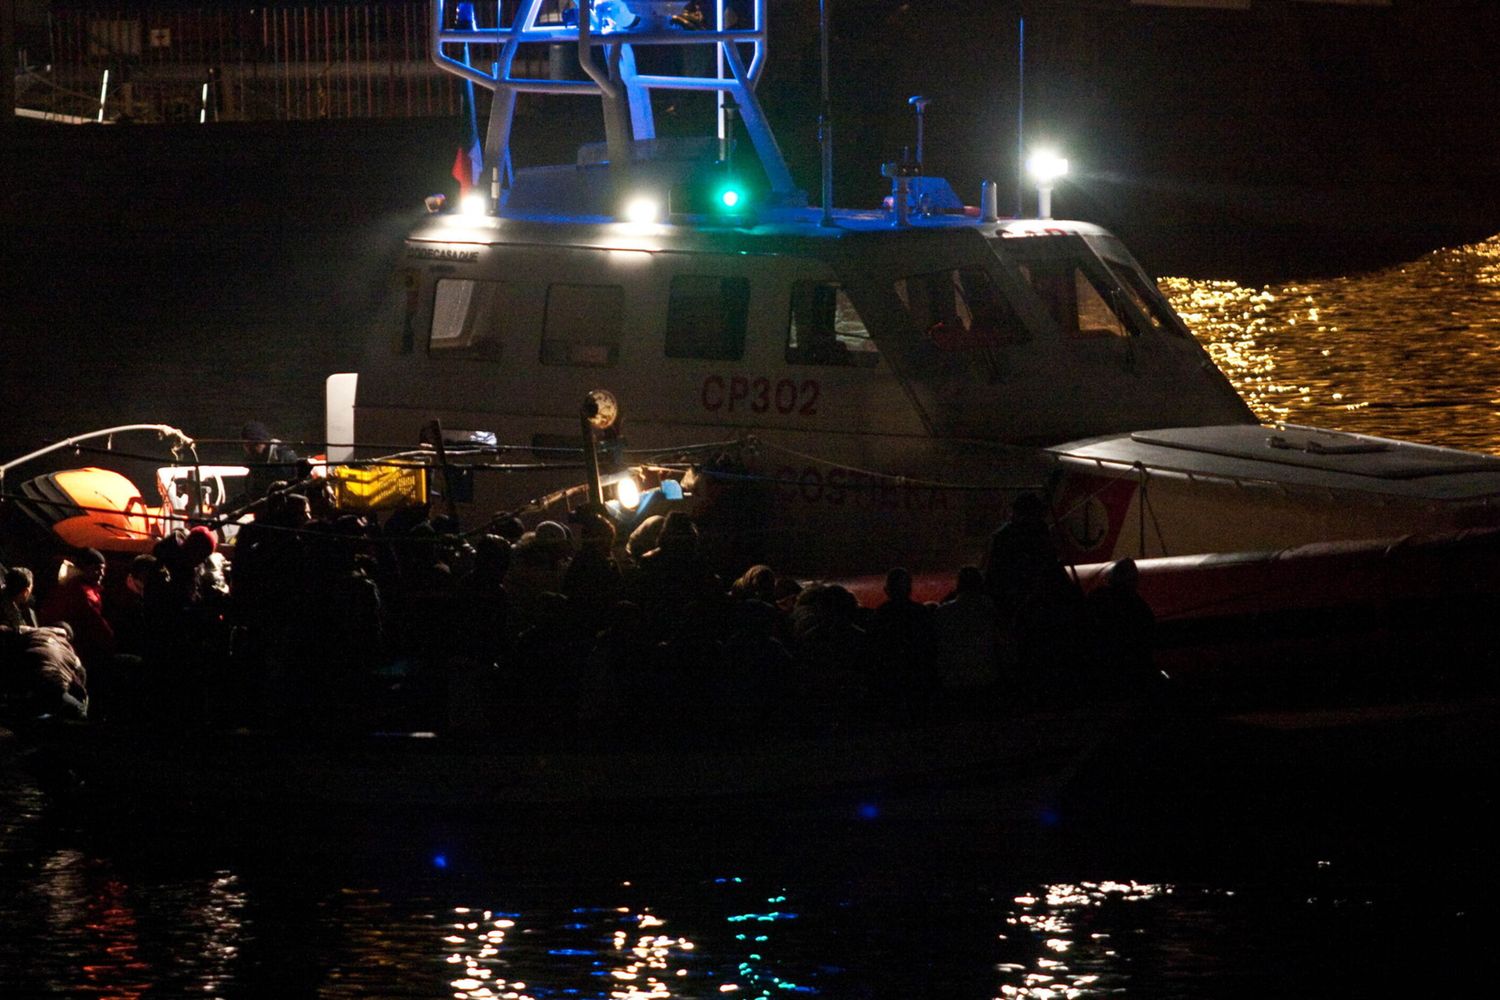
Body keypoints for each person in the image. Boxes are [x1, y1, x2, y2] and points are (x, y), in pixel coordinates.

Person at [239, 420, 300, 502]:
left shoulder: (284, 460)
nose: (248, 449)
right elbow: (249, 496)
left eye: (251, 444)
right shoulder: (259, 464)